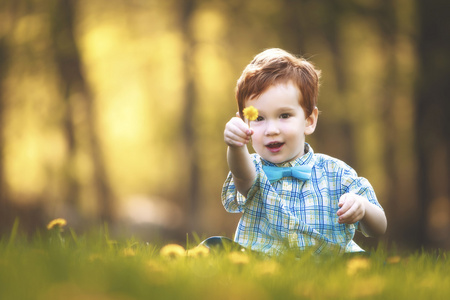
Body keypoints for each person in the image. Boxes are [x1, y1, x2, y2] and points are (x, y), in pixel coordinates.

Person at [222, 48, 387, 255]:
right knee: (217, 246)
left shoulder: (336, 173)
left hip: (331, 262)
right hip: (265, 262)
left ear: (309, 121)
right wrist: (235, 145)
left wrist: (362, 207)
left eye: (284, 115)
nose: (272, 130)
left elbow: (379, 227)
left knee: (362, 260)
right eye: (259, 118)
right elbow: (240, 174)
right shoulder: (252, 170)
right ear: (244, 122)